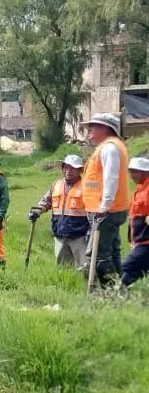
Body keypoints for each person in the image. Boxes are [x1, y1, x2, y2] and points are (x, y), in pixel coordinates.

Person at [79, 113, 132, 286]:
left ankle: (110, 292)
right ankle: (121, 289)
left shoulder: (109, 148)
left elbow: (111, 177)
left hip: (106, 211)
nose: (89, 131)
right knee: (113, 253)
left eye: (92, 127)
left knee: (99, 256)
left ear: (105, 128)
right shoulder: (111, 147)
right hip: (112, 209)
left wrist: (104, 205)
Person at [29, 155, 90, 270]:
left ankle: (84, 286)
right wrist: (37, 211)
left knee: (84, 267)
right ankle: (65, 286)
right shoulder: (56, 185)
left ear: (80, 170)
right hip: (60, 233)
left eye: (73, 168)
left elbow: (96, 201)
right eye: (66, 167)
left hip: (80, 235)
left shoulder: (86, 186)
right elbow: (46, 201)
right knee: (62, 267)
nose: (68, 171)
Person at [122, 157, 149, 287]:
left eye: (134, 171)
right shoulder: (139, 190)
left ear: (144, 172)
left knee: (125, 269)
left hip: (146, 243)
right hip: (139, 242)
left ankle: (114, 297)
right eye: (130, 171)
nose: (131, 175)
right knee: (134, 273)